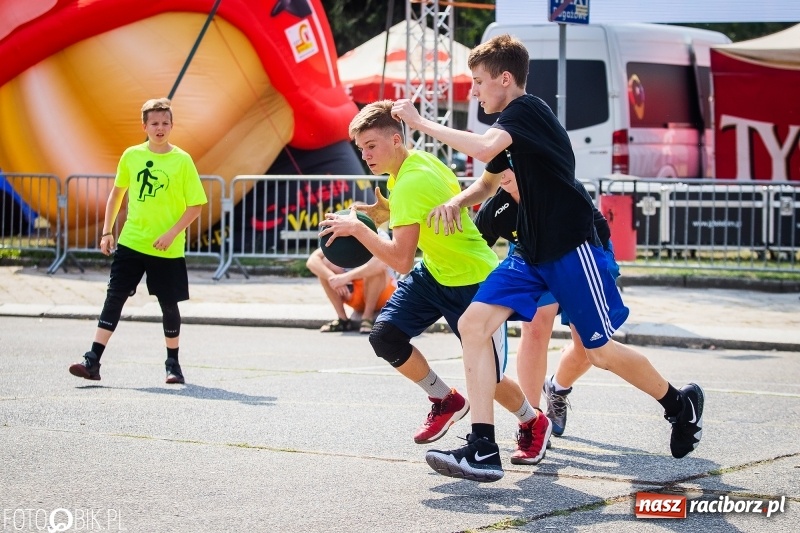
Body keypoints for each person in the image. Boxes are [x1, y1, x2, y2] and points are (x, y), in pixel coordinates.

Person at [391, 34, 704, 482]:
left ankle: (679, 402)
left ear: (505, 78)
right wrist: (457, 203)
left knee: (596, 350)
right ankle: (482, 446)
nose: (473, 92)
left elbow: (482, 148)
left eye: (478, 82)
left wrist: (420, 123)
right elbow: (488, 179)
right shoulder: (510, 132)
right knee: (473, 324)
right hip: (530, 253)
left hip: (571, 248)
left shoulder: (527, 111)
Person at [318, 100, 551, 466]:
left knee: (487, 380)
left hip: (475, 281)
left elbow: (400, 260)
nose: (365, 156)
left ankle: (533, 422)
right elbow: (421, 215)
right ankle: (445, 399)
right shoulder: (415, 162)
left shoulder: (410, 181)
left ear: (396, 140)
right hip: (437, 272)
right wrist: (385, 214)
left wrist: (359, 230)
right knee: (385, 337)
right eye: (361, 149)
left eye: (372, 146)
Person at [68, 97, 208, 384]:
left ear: (172, 125)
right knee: (114, 295)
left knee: (168, 305)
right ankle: (92, 359)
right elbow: (116, 195)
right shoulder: (131, 155)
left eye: (165, 123)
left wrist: (171, 234)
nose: (160, 128)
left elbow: (196, 206)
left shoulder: (182, 160)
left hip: (167, 248)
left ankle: (173, 364)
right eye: (154, 123)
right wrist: (107, 231)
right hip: (132, 241)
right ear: (144, 126)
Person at [474, 168, 620, 438]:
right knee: (536, 327)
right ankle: (532, 423)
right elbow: (473, 246)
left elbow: (597, 234)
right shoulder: (498, 206)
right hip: (532, 255)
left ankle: (558, 387)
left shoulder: (558, 184)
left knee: (590, 348)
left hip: (584, 249)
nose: (502, 175)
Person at [306, 226, 397, 334]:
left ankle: (367, 318)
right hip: (351, 292)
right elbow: (312, 261)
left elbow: (382, 263)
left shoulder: (379, 234)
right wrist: (332, 278)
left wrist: (345, 278)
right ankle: (343, 320)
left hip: (382, 293)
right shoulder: (341, 232)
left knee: (376, 269)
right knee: (325, 264)